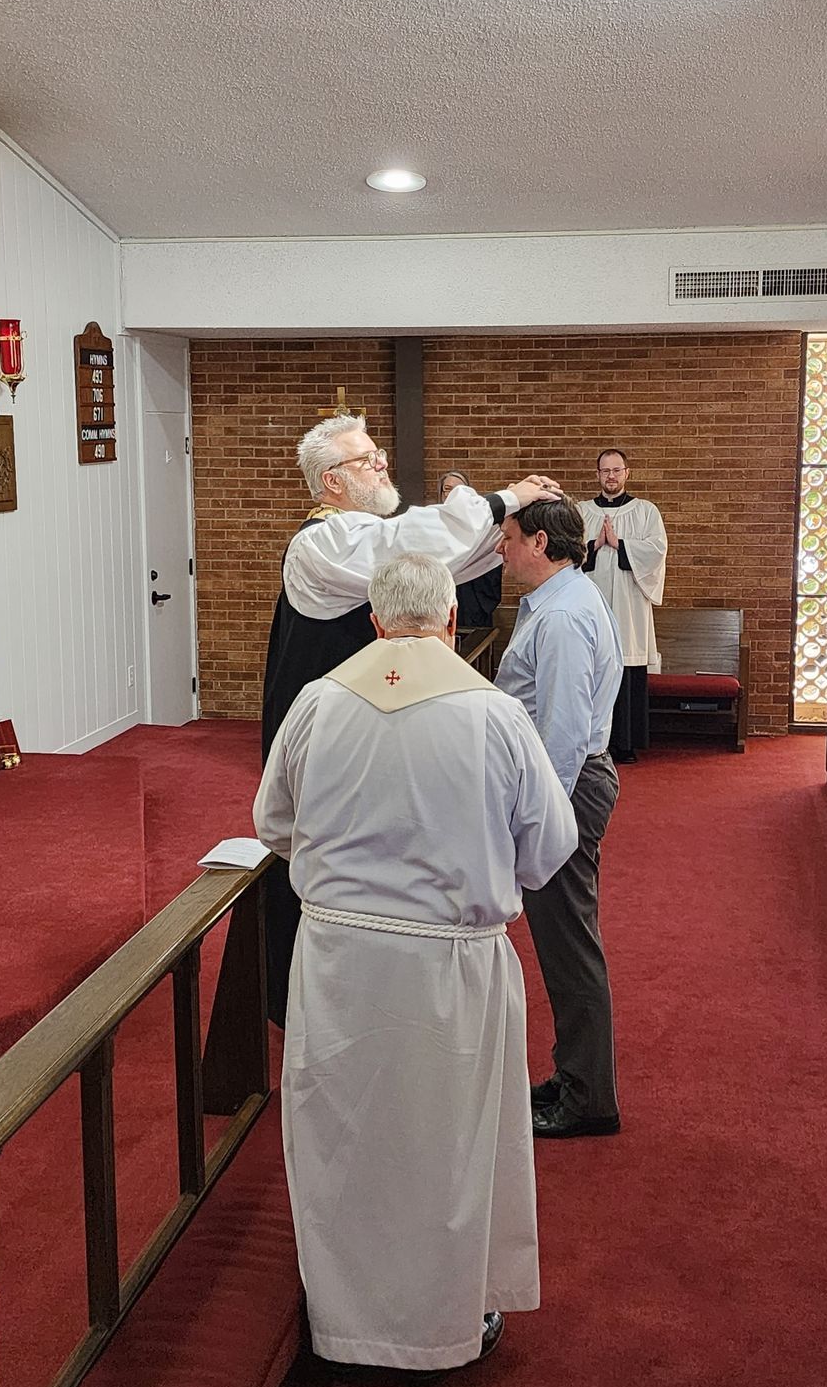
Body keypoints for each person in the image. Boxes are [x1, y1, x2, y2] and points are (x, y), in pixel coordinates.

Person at [253, 554, 578, 1375]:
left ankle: (344, 1323)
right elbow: (549, 848)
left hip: (336, 963)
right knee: (449, 1148)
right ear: (451, 622)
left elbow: (271, 821)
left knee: (345, 1141)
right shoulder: (494, 712)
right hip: (451, 969)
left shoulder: (318, 703)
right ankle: (447, 1323)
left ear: (371, 622)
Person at [259, 412, 559, 1025]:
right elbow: (409, 546)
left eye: (379, 454)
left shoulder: (368, 537)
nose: (381, 464)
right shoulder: (320, 541)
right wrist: (505, 498)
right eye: (366, 459)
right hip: (338, 737)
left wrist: (501, 527)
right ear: (331, 483)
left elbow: (442, 556)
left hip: (381, 731)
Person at [495, 495, 624, 1138]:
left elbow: (566, 732)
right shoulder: (558, 601)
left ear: (541, 542)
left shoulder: (565, 614)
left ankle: (587, 1099)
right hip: (562, 784)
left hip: (566, 787)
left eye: (510, 537)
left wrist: (538, 814)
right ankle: (575, 1075)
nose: (501, 548)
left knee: (570, 944)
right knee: (563, 940)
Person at [577, 449, 668, 764]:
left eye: (617, 470)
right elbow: (566, 553)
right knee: (592, 670)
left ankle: (625, 744)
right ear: (597, 474)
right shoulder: (581, 512)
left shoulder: (645, 512)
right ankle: (589, 742)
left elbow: (657, 551)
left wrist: (621, 545)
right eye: (605, 471)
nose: (611, 476)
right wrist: (594, 545)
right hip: (592, 606)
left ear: (627, 473)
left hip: (630, 607)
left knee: (627, 669)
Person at [439, 470, 504, 629]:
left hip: (473, 606)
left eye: (459, 490)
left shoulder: (484, 527)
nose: (452, 494)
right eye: (447, 489)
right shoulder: (434, 528)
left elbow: (490, 565)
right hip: (439, 611)